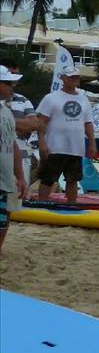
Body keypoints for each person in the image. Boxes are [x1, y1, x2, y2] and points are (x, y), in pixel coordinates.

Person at [35, 66, 97, 204]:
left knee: (73, 179)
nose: (74, 79)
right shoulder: (51, 98)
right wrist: (42, 143)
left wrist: (92, 143)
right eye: (70, 76)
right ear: (62, 78)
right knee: (48, 179)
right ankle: (41, 204)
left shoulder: (84, 99)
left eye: (76, 76)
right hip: (54, 146)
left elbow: (88, 124)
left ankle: (71, 206)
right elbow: (41, 123)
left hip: (76, 147)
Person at [0, 66, 29, 255]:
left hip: (4, 179)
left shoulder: (5, 110)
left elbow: (13, 145)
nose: (12, 86)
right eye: (8, 83)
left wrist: (20, 177)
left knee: (3, 220)